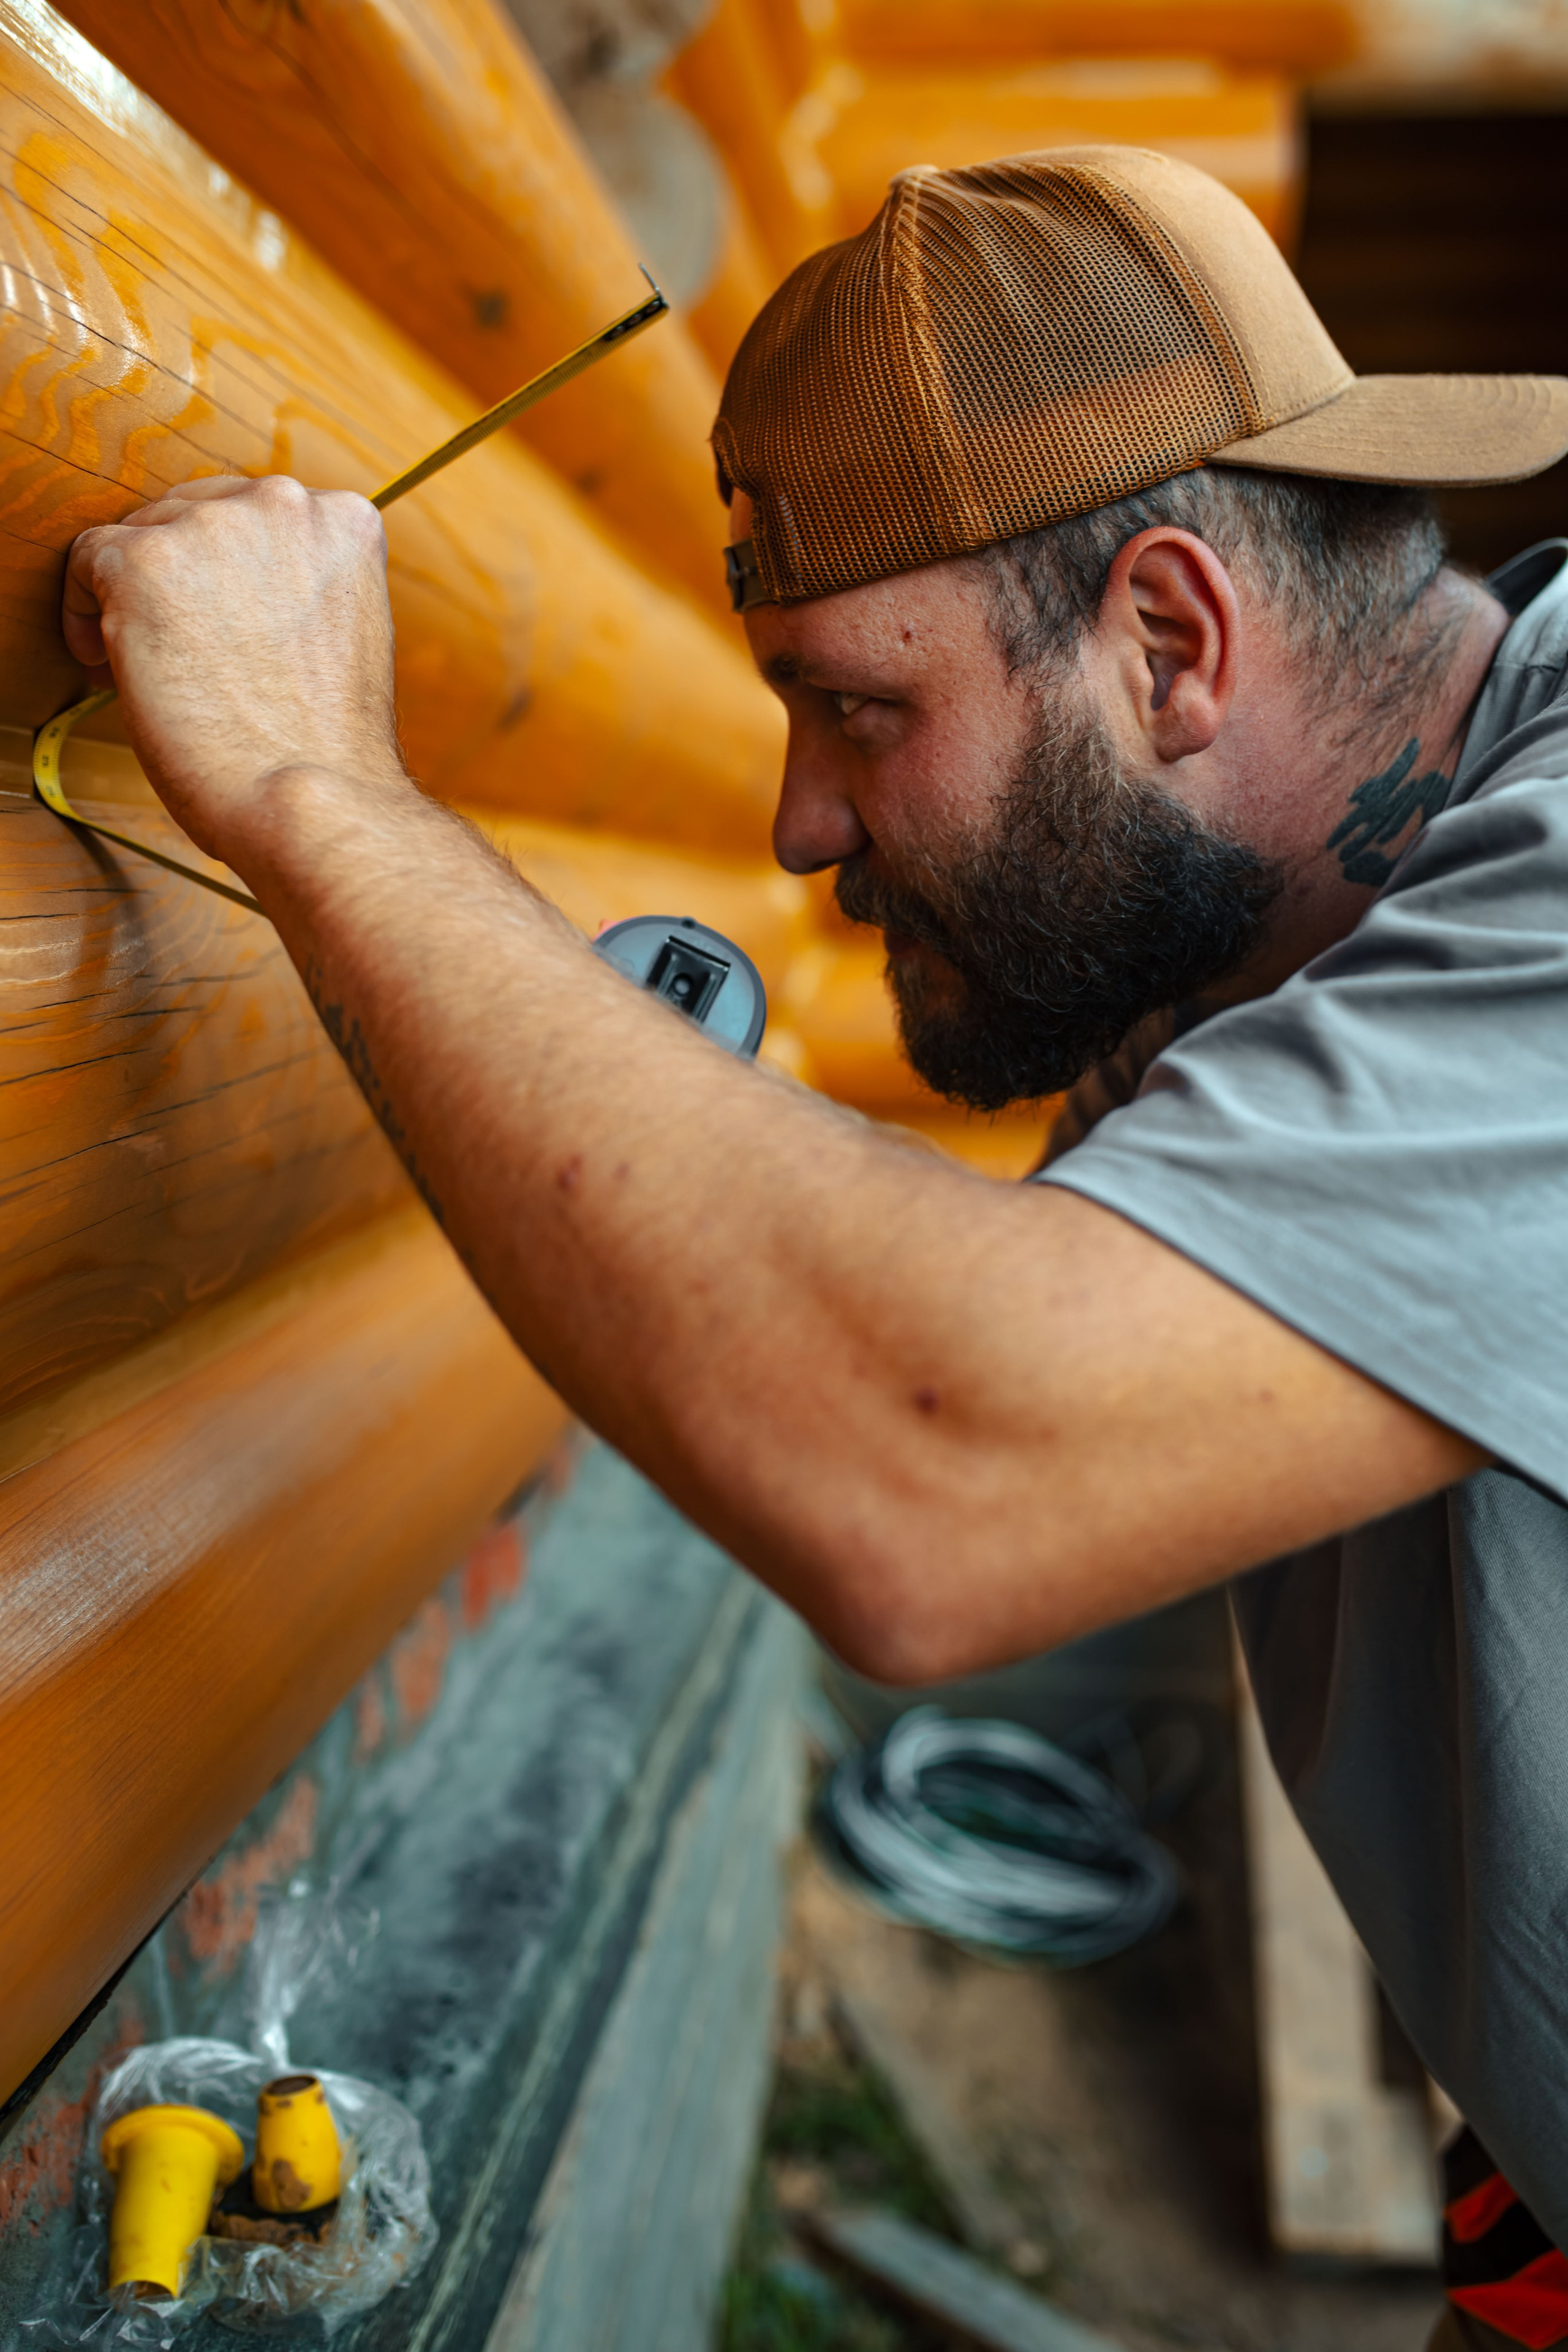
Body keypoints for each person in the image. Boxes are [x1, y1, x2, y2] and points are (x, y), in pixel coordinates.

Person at [59, 148, 1568, 2344]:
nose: (796, 827)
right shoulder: (1254, 954)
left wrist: (318, 793)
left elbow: (942, 1467)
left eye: (859, 705)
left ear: (1169, 639)